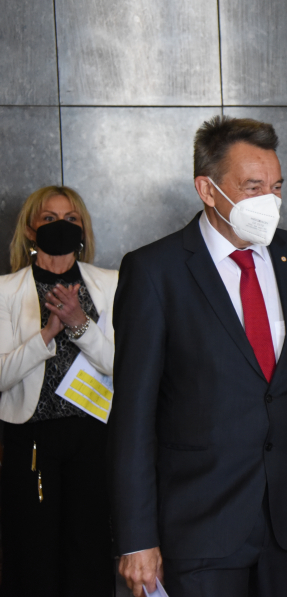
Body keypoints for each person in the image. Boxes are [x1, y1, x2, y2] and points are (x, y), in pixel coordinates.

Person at [110, 117, 287, 597]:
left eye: (276, 187)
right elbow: (132, 417)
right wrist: (136, 537)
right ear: (207, 190)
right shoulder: (155, 272)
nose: (268, 202)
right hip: (200, 527)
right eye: (253, 187)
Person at [0, 186, 117, 597]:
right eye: (48, 219)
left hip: (93, 437)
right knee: (33, 552)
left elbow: (123, 366)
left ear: (81, 228)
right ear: (31, 230)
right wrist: (46, 335)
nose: (60, 226)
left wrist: (80, 324)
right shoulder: (5, 290)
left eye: (70, 219)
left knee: (88, 551)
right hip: (30, 440)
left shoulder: (111, 284)